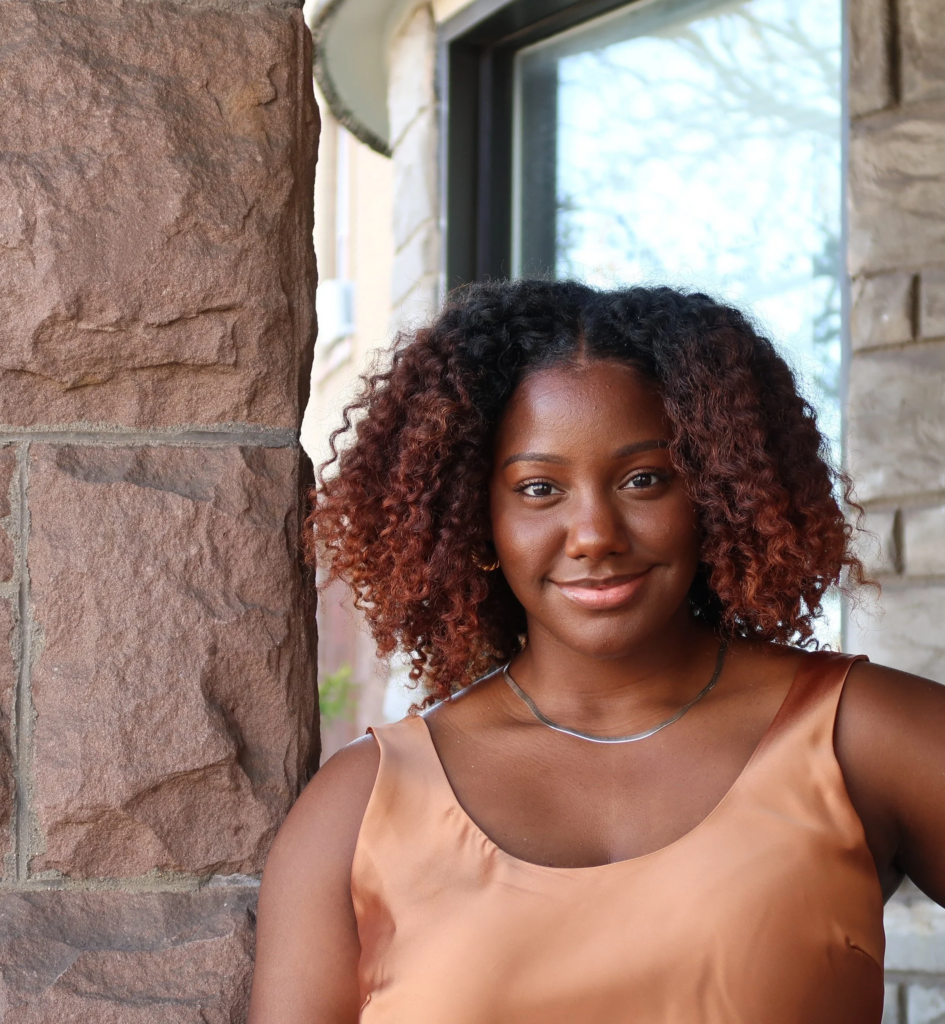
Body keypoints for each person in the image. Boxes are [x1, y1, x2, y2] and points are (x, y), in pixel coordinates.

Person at [247, 281, 945, 1023]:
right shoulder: (359, 811)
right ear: (476, 514)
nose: (594, 535)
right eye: (539, 488)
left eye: (644, 480)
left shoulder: (859, 735)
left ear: (716, 489)